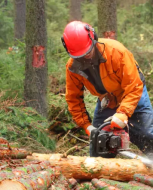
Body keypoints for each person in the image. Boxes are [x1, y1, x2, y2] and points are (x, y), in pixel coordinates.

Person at [61, 20, 153, 156]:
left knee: (147, 135)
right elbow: (73, 98)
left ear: (93, 38)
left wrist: (123, 113)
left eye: (87, 52)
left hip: (133, 94)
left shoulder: (116, 52)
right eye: (79, 56)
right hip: (107, 100)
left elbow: (134, 85)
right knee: (99, 143)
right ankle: (98, 175)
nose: (85, 57)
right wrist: (87, 126)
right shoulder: (73, 67)